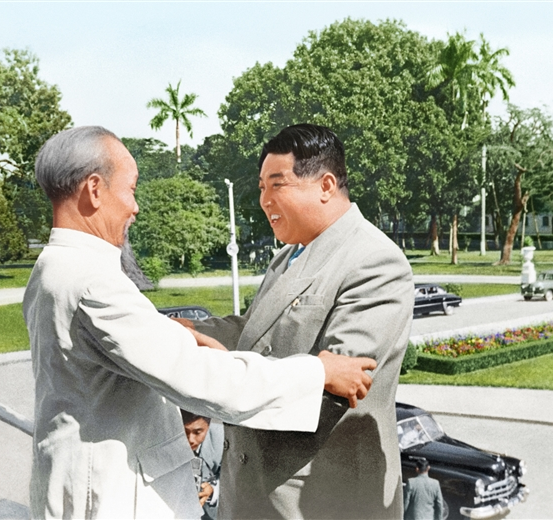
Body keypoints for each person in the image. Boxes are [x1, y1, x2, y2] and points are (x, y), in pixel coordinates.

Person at [24, 125, 378, 519]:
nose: (134, 207)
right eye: (131, 189)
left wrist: (183, 337)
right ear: (94, 189)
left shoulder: (56, 267)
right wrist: (318, 372)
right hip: (111, 499)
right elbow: (200, 379)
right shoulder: (91, 282)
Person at [179, 124, 414, 519]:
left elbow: (337, 385)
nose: (263, 200)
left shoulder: (375, 262)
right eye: (260, 187)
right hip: (250, 495)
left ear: (325, 185)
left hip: (317, 500)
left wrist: (214, 373)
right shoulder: (288, 254)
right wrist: (194, 332)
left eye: (277, 185)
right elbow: (254, 332)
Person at [181, 410, 223, 520]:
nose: (190, 440)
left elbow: (236, 481)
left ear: (208, 426)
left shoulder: (223, 438)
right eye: (184, 431)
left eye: (198, 432)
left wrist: (213, 490)